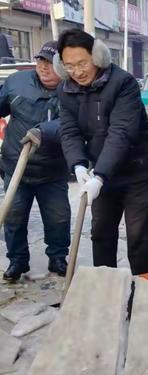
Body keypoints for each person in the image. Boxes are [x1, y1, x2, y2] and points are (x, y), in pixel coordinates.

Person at [55, 29, 148, 275]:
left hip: (139, 169)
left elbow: (121, 133)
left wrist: (99, 175)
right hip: (102, 172)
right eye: (69, 66)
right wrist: (79, 165)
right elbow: (69, 131)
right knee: (101, 233)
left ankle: (142, 289)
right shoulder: (66, 90)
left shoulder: (122, 83)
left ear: (97, 57)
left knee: (138, 237)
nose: (77, 71)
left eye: (82, 63)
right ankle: (105, 288)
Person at [0, 40, 70, 282]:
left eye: (50, 63)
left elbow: (73, 125)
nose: (44, 67)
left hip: (53, 170)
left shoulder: (72, 90)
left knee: (58, 218)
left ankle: (58, 257)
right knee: (13, 217)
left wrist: (45, 130)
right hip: (15, 167)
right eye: (41, 60)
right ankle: (17, 261)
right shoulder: (16, 83)